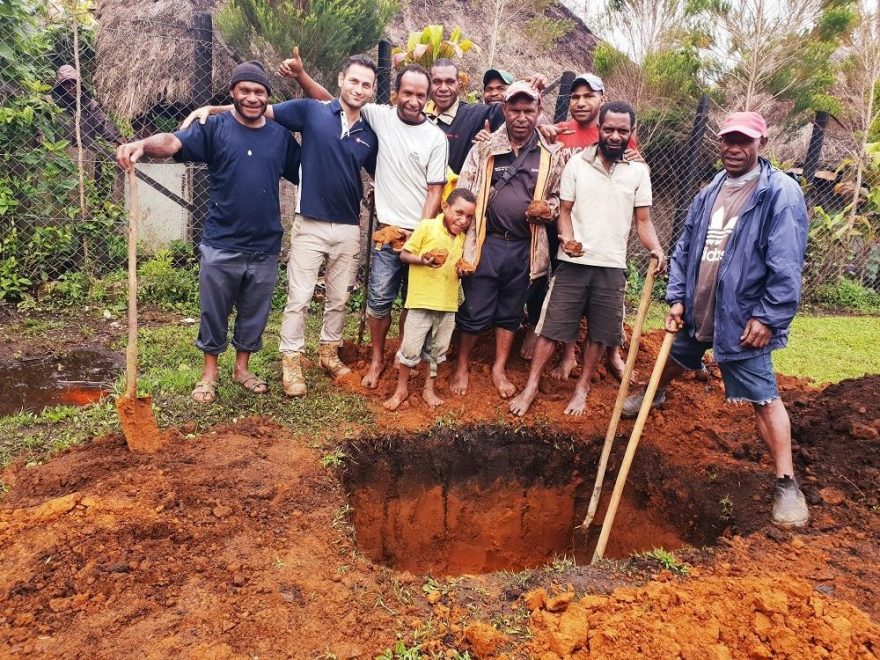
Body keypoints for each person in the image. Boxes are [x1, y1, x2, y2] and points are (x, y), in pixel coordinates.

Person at [622, 111, 810, 528]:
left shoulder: (779, 192)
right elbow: (687, 246)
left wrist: (769, 317)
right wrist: (676, 297)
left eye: (743, 141)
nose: (733, 148)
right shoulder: (709, 191)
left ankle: (786, 483)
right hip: (698, 308)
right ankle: (653, 393)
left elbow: (786, 261)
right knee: (675, 358)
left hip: (742, 319)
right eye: (728, 140)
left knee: (763, 397)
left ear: (761, 143)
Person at [182, 53, 380, 398]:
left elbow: (381, 172)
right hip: (310, 224)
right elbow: (256, 110)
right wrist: (212, 111)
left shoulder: (371, 131)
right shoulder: (311, 111)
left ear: (373, 90)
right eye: (354, 81)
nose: (359, 88)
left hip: (349, 226)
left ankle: (328, 354)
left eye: (366, 84)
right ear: (340, 79)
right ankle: (291, 359)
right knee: (299, 298)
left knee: (338, 298)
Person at [116, 61, 301, 404]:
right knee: (213, 310)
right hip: (222, 240)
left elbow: (308, 171)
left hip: (266, 242)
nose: (252, 97)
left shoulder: (280, 137)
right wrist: (142, 143)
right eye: (244, 90)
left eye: (259, 92)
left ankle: (243, 369)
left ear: (267, 97)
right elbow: (173, 142)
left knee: (254, 310)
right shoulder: (213, 128)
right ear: (232, 93)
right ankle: (209, 373)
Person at [278, 57, 449, 389]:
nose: (413, 101)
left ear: (427, 98)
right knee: (376, 301)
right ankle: (351, 360)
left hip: (415, 235)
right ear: (395, 94)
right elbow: (330, 101)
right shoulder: (378, 117)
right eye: (407, 93)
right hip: (384, 232)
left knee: (403, 301)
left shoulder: (434, 137)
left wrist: (419, 237)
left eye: (420, 95)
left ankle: (396, 356)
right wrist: (301, 74)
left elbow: (435, 190)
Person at [509, 101, 665, 417]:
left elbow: (644, 221)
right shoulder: (577, 164)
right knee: (551, 328)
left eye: (623, 130)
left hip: (611, 265)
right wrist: (566, 238)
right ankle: (531, 386)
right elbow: (563, 212)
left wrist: (657, 249)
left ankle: (582, 389)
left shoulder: (638, 172)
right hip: (573, 263)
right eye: (609, 129)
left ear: (631, 133)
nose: (615, 135)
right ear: (600, 129)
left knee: (600, 334)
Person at [452, 81, 567, 398]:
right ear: (504, 110)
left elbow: (560, 198)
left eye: (528, 110)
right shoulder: (484, 149)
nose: (521, 116)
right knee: (475, 308)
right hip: (487, 242)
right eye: (514, 110)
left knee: (511, 312)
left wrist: (548, 210)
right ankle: (462, 364)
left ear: (538, 112)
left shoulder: (550, 155)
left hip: (525, 247)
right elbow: (464, 189)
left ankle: (498, 367)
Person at [522, 72, 640, 380]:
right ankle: (567, 354)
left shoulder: (614, 137)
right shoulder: (560, 132)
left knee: (608, 298)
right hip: (564, 222)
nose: (580, 102)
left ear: (602, 100)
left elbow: (635, 173)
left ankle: (613, 354)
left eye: (589, 96)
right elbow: (525, 126)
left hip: (602, 227)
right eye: (575, 97)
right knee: (563, 291)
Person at [383, 188, 477, 411]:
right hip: (421, 302)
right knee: (409, 350)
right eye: (459, 212)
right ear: (445, 207)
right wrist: (423, 261)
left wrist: (463, 271)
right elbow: (405, 254)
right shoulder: (427, 226)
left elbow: (458, 266)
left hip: (447, 305)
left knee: (437, 352)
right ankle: (401, 389)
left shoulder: (462, 238)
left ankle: (428, 388)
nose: (463, 220)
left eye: (469, 216)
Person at [426, 59, 505, 175]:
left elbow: (512, 110)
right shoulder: (418, 115)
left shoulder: (476, 114)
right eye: (437, 82)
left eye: (449, 82)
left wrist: (529, 86)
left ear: (459, 84)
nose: (443, 88)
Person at [53, 64, 122, 149]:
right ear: (60, 87)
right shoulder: (52, 104)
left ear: (80, 86)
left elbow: (103, 123)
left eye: (74, 83)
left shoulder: (89, 105)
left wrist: (116, 137)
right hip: (59, 152)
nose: (71, 87)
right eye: (66, 84)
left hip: (86, 153)